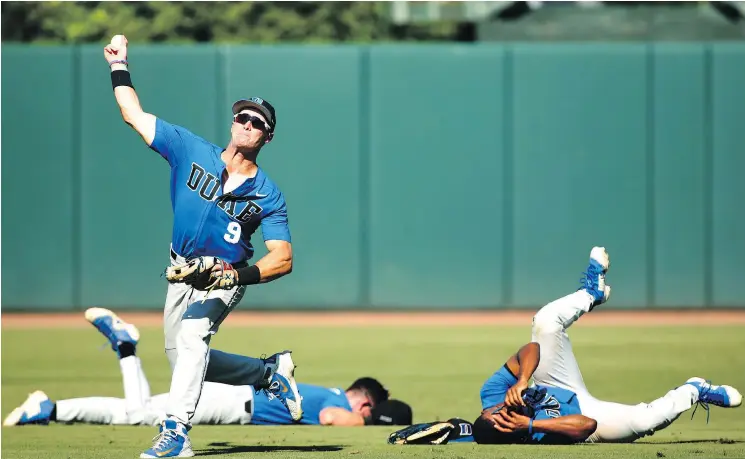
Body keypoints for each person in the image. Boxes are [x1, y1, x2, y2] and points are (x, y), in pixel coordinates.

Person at [103, 34, 301, 458]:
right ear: (232, 123)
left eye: (257, 123)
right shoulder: (189, 149)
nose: (247, 125)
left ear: (268, 136)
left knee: (193, 340)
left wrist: (236, 275)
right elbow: (131, 113)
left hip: (224, 276)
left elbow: (282, 258)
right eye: (242, 118)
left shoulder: (268, 194)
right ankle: (267, 373)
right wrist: (118, 65)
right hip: (181, 269)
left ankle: (175, 434)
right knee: (185, 359)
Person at [388, 247, 742, 446]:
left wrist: (522, 380)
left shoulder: (494, 394)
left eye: (495, 415)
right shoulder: (532, 433)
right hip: (580, 411)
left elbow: (529, 353)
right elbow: (586, 424)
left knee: (543, 323)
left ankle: (590, 293)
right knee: (642, 420)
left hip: (552, 379)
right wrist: (528, 427)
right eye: (503, 421)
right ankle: (694, 391)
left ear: (485, 413)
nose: (501, 414)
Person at [3, 309, 412, 429]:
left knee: (138, 410)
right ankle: (125, 347)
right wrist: (363, 424)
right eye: (371, 412)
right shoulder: (336, 401)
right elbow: (329, 418)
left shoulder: (326, 389)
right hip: (235, 403)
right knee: (138, 414)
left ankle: (51, 408)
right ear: (366, 402)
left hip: (235, 399)